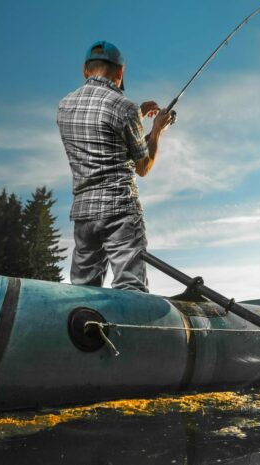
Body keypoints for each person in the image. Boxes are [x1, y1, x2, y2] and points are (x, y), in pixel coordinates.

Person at [57, 40, 172, 293]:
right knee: (130, 288)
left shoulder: (64, 106)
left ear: (85, 70)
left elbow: (100, 133)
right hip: (119, 210)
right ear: (120, 72)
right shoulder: (125, 107)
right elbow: (143, 167)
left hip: (83, 213)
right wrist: (156, 131)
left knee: (83, 290)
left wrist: (138, 116)